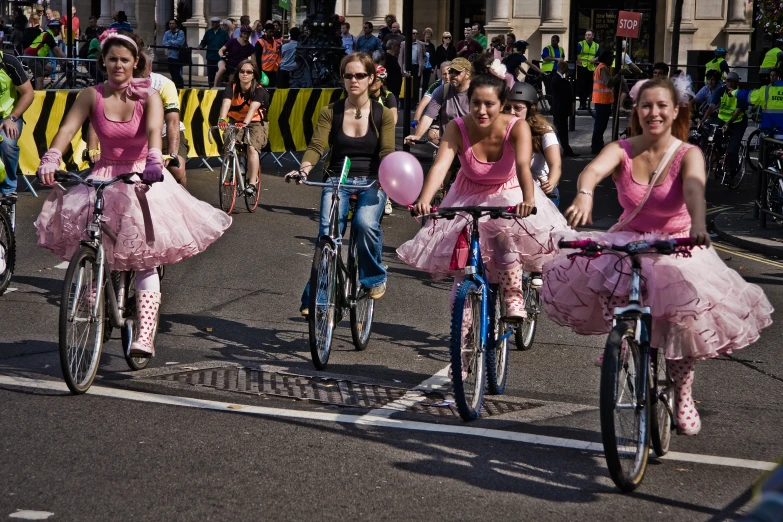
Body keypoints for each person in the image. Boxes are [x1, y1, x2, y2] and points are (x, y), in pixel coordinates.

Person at [541, 77, 773, 436]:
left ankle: (682, 395)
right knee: (604, 271)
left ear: (676, 110)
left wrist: (698, 224)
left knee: (682, 319)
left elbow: (694, 188)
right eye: (646, 105)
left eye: (662, 105)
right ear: (636, 110)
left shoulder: (687, 153)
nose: (654, 112)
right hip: (632, 236)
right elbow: (593, 169)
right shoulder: (623, 148)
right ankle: (623, 337)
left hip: (678, 242)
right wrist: (584, 191)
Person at [34, 30, 231, 357]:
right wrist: (52, 156)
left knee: (144, 260)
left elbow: (155, 130)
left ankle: (145, 335)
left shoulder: (148, 96)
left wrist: (155, 159)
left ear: (135, 62)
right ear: (103, 61)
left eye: (125, 59)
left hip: (143, 178)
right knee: (93, 237)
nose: (118, 65)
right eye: (112, 58)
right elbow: (67, 130)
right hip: (104, 174)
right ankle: (93, 291)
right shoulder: (91, 95)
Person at [399, 67, 567, 321]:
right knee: (462, 258)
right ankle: (463, 336)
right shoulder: (457, 127)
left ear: (502, 105)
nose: (481, 110)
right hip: (467, 191)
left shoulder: (517, 127)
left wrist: (528, 200)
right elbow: (441, 166)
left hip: (508, 190)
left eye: (490, 104)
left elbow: (523, 166)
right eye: (476, 103)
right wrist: (424, 199)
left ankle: (513, 295)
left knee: (503, 237)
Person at [285, 53, 395, 315]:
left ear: (371, 79)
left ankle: (374, 277)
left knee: (365, 223)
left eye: (359, 75)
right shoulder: (330, 111)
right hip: (337, 179)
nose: (353, 80)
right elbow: (316, 146)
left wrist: (384, 177)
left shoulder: (384, 114)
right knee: (328, 236)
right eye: (348, 75)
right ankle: (317, 295)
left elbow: (387, 152)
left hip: (371, 181)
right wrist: (303, 170)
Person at [217, 58, 270, 199]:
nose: (245, 74)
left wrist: (245, 123)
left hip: (255, 122)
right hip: (235, 120)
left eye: (248, 72)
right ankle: (233, 167)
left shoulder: (259, 90)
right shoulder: (231, 87)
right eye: (242, 71)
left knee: (252, 148)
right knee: (229, 142)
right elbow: (226, 104)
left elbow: (253, 109)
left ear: (254, 75)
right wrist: (222, 119)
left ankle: (252, 183)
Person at [504, 81, 562, 207]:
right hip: (511, 191)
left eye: (518, 108)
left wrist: (550, 183)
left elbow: (555, 164)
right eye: (507, 107)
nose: (511, 112)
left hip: (541, 191)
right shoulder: (499, 130)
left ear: (530, 109)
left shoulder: (543, 130)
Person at [405, 57, 472, 145]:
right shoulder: (442, 90)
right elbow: (429, 115)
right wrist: (417, 136)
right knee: (433, 134)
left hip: (471, 144)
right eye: (451, 71)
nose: (452, 75)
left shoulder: (477, 91)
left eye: (457, 72)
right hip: (449, 143)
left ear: (468, 74)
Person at [699, 71, 749, 179]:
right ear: (725, 82)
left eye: (733, 82)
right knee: (712, 138)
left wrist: (728, 123)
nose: (730, 84)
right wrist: (703, 120)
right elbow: (712, 106)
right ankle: (721, 153)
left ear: (737, 83)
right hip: (722, 119)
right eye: (728, 81)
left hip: (738, 122)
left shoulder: (740, 93)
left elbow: (737, 112)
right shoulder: (721, 91)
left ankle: (732, 172)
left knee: (732, 150)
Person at [0, 49, 34, 198]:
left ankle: (8, 189)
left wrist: (12, 118)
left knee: (7, 143)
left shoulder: (8, 62)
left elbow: (28, 93)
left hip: (8, 116)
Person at [591, 50, 622, 155]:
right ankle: (597, 147)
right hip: (603, 100)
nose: (613, 59)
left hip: (601, 100)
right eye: (611, 57)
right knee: (600, 125)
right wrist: (619, 75)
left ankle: (597, 145)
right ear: (607, 58)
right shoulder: (603, 68)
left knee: (599, 125)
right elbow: (608, 83)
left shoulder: (600, 67)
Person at [23, 19, 66, 90]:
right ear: (55, 28)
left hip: (38, 57)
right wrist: (67, 61)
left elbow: (55, 52)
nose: (59, 31)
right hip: (32, 56)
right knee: (39, 78)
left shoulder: (49, 35)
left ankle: (35, 82)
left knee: (49, 68)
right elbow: (57, 50)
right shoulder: (47, 35)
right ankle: (38, 96)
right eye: (59, 29)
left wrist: (63, 62)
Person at [550, 61, 577, 157]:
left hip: (562, 109)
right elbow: (564, 92)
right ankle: (556, 150)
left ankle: (566, 149)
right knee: (558, 130)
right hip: (559, 109)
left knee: (562, 130)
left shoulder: (560, 79)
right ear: (562, 68)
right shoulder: (557, 79)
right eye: (566, 68)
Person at [748, 67, 783, 140]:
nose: (772, 77)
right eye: (771, 75)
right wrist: (755, 107)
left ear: (778, 76)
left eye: (774, 75)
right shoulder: (768, 87)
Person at [413, 62, 451, 127]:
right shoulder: (436, 85)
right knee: (432, 135)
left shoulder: (457, 83)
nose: (447, 77)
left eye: (449, 73)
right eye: (444, 74)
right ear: (441, 75)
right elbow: (422, 104)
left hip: (454, 116)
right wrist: (416, 120)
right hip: (439, 116)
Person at [200, 17, 230, 86]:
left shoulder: (224, 33)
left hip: (220, 58)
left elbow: (228, 43)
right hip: (210, 57)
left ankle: (218, 89)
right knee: (211, 75)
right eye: (212, 22)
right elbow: (204, 41)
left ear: (218, 23)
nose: (213, 24)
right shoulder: (208, 32)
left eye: (215, 22)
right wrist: (201, 45)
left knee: (220, 75)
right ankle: (211, 89)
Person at [399, 29, 425, 102]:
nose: (415, 35)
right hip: (406, 66)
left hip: (416, 67)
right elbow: (401, 56)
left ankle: (414, 103)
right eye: (413, 33)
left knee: (416, 86)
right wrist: (401, 68)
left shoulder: (421, 44)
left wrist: (423, 64)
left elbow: (424, 56)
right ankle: (404, 102)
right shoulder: (404, 43)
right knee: (405, 85)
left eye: (416, 33)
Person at [576, 30, 599, 110]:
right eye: (586, 35)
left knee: (590, 87)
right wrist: (579, 62)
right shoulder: (580, 44)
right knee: (582, 86)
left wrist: (595, 59)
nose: (587, 36)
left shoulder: (596, 46)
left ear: (593, 36)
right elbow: (575, 54)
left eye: (589, 35)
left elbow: (599, 56)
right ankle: (582, 104)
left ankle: (589, 103)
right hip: (582, 68)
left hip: (591, 68)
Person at [255, 22, 281, 88]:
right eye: (270, 32)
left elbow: (276, 55)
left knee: (272, 88)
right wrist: (260, 71)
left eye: (273, 32)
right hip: (264, 70)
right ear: (265, 31)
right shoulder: (260, 42)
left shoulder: (275, 42)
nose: (272, 33)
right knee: (264, 88)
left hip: (273, 70)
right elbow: (257, 58)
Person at [162, 19, 185, 88]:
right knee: (172, 73)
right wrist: (173, 43)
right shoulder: (167, 33)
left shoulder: (180, 32)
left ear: (176, 24)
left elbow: (179, 42)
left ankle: (180, 87)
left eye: (173, 23)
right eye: (170, 23)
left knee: (178, 74)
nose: (171, 25)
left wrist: (170, 42)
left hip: (178, 56)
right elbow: (164, 43)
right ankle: (174, 87)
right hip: (170, 56)